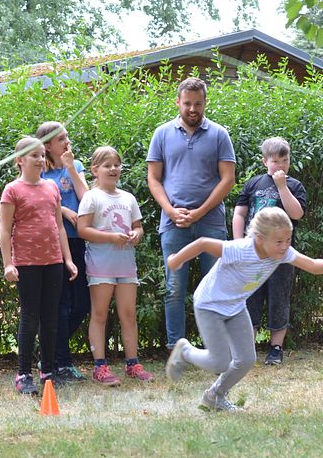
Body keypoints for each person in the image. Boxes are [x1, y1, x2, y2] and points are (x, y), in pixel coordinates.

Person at [165, 207, 323, 412]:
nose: (285, 247)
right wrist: (176, 259)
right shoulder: (241, 249)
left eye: (288, 240)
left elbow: (313, 265)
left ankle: (214, 396)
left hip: (235, 306)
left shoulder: (282, 253)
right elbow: (203, 243)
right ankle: (185, 352)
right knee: (220, 362)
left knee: (246, 360)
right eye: (279, 242)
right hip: (210, 305)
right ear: (260, 238)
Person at [146, 77, 236, 349]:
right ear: (178, 102)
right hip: (173, 225)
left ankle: (217, 349)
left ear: (205, 103)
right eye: (187, 103)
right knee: (174, 290)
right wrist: (171, 211)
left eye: (198, 103)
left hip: (210, 223)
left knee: (215, 288)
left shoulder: (220, 134)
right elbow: (153, 179)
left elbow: (228, 179)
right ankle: (176, 349)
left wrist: (198, 213)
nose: (193, 109)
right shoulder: (161, 134)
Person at [0, 136, 78, 395]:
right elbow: (5, 230)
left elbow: (59, 228)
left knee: (51, 318)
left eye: (42, 155)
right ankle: (23, 374)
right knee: (30, 316)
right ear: (19, 160)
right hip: (27, 263)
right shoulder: (12, 190)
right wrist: (8, 264)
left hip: (53, 261)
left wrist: (67, 259)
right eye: (34, 156)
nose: (40, 160)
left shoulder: (52, 188)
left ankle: (48, 372)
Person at [78, 146, 154, 385]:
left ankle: (133, 363)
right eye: (107, 165)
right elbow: (83, 230)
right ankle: (100, 366)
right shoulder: (92, 197)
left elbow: (139, 227)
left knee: (129, 314)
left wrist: (136, 234)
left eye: (116, 165)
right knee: (99, 314)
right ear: (95, 170)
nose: (113, 169)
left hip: (126, 265)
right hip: (101, 265)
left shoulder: (128, 198)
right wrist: (111, 237)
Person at [232, 137, 307, 365]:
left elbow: (297, 214)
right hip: (253, 253)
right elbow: (239, 213)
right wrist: (238, 244)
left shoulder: (294, 186)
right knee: (250, 298)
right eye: (275, 161)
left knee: (279, 298)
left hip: (281, 256)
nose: (281, 166)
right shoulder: (253, 184)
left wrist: (282, 186)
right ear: (265, 161)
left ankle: (276, 349)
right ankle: (248, 348)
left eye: (285, 160)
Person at [36, 121, 90, 383]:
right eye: (61, 140)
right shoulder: (40, 173)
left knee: (82, 304)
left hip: (78, 241)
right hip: (54, 245)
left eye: (67, 137)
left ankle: (49, 350)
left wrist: (70, 167)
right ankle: (62, 363)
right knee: (61, 305)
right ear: (47, 146)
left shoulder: (75, 166)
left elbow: (88, 199)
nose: (67, 142)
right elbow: (37, 206)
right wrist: (64, 211)